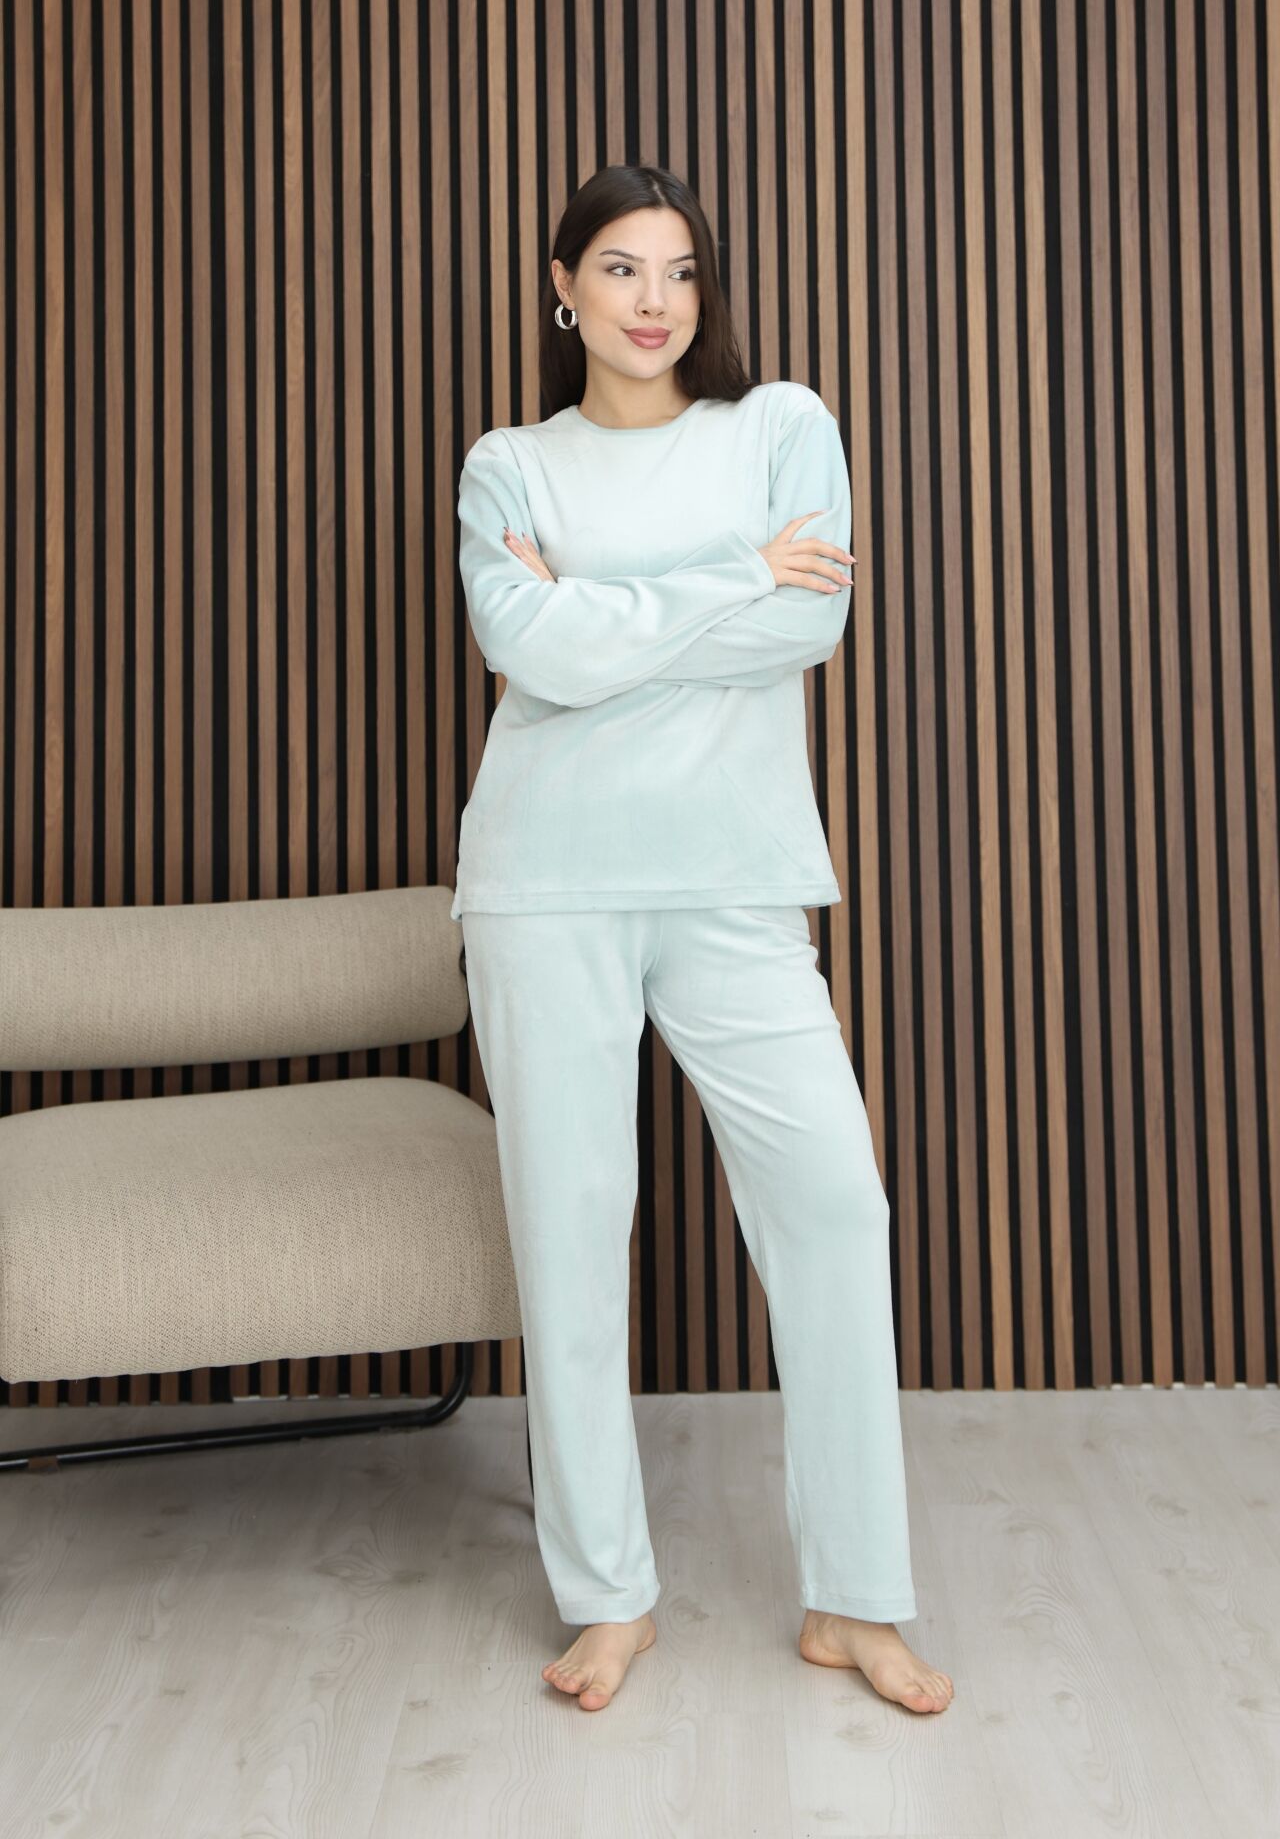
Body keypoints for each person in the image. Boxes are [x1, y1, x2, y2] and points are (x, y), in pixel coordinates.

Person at [453, 164, 954, 1718]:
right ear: (563, 287)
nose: (654, 299)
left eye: (679, 270)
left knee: (834, 1206)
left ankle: (857, 1601)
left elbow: (812, 623)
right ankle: (608, 1599)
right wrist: (732, 578)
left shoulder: (779, 428)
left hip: (737, 881)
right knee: (569, 1230)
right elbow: (520, 644)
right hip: (544, 884)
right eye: (620, 268)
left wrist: (599, 619)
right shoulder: (509, 465)